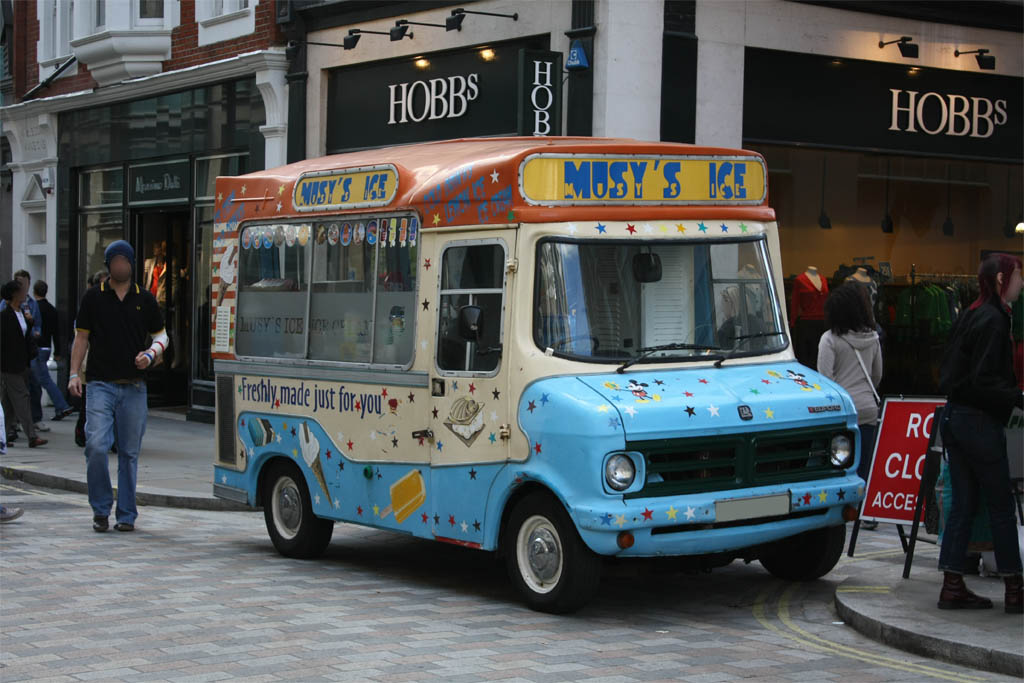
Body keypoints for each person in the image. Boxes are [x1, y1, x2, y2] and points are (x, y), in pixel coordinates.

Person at [937, 253, 1023, 614]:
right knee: (1002, 506)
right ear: (1002, 279)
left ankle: (952, 585)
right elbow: (985, 379)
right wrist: (1017, 398)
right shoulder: (993, 320)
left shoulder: (971, 313)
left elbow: (953, 372)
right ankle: (1015, 588)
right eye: (1017, 276)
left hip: (955, 419)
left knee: (963, 504)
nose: (1021, 283)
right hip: (978, 423)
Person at [69, 241, 167, 533]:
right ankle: (101, 509)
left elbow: (162, 336)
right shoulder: (93, 298)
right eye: (116, 261)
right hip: (100, 384)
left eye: (125, 261)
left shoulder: (145, 299)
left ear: (131, 264)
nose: (120, 266)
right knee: (96, 446)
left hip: (134, 387)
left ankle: (126, 514)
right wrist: (73, 374)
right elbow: (81, 339)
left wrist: (150, 355)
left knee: (129, 453)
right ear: (109, 265)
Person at [817, 283, 882, 494]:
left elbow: (825, 382)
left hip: (842, 413)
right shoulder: (873, 338)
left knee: (841, 471)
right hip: (868, 410)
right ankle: (865, 508)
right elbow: (877, 376)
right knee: (864, 470)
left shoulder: (829, 340)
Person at [1, 280, 47, 448]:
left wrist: (30, 322)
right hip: (9, 365)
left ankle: (2, 437)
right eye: (21, 291)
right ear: (14, 294)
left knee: (8, 404)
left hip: (23, 363)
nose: (24, 294)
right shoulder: (4, 316)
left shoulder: (22, 313)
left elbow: (25, 336)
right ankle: (32, 436)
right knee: (22, 397)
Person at [30, 280, 75, 421]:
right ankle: (59, 406)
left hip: (36, 347)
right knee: (40, 379)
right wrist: (57, 351)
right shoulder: (51, 309)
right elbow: (56, 332)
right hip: (47, 347)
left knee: (42, 379)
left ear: (34, 292)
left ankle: (61, 405)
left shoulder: (34, 308)